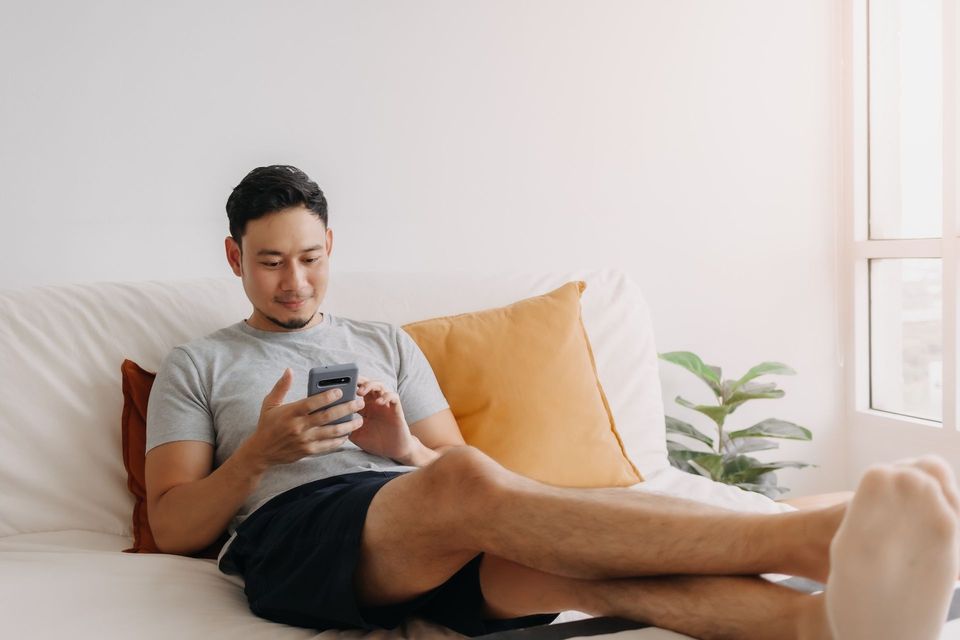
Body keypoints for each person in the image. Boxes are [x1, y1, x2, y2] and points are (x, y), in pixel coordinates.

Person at [145, 165, 960, 639]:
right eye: (271, 263)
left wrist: (400, 447)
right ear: (234, 257)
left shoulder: (386, 342)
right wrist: (260, 452)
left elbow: (447, 473)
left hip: (412, 515)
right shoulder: (200, 362)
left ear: (333, 250)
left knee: (571, 570)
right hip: (299, 540)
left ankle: (824, 627)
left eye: (311, 259)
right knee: (465, 480)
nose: (295, 283)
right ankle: (817, 536)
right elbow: (172, 524)